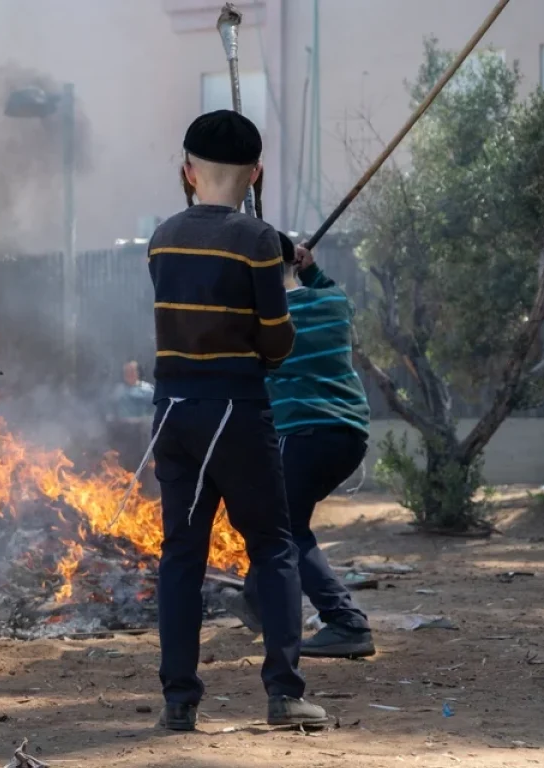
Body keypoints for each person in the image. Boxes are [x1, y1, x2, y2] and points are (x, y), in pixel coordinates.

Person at [147, 110, 326, 731]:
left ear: (187, 172)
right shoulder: (254, 239)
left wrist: (269, 243)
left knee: (181, 556)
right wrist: (280, 267)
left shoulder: (162, 238)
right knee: (273, 547)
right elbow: (276, 344)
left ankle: (178, 703)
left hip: (171, 413)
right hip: (237, 411)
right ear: (256, 174)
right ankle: (284, 694)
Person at [227, 235, 375, 659]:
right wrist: (307, 267)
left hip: (304, 435)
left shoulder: (268, 322)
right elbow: (325, 287)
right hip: (348, 436)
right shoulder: (335, 304)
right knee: (283, 519)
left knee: (286, 530)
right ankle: (258, 601)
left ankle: (346, 622)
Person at [107, 360, 155, 469]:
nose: (129, 373)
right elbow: (110, 410)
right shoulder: (118, 390)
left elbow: (156, 411)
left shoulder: (148, 390)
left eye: (131, 370)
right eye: (126, 371)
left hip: (142, 433)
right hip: (122, 432)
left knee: (143, 463)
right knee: (123, 463)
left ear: (138, 373)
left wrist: (145, 420)